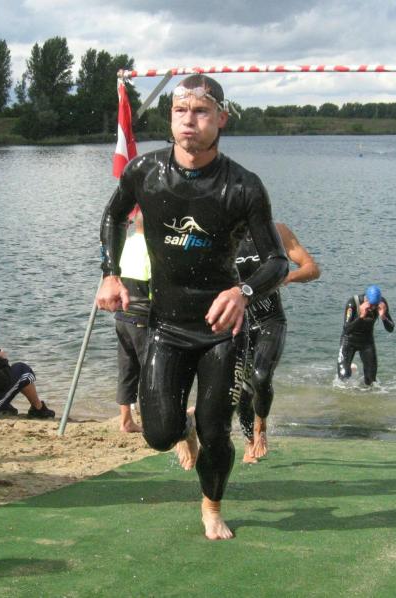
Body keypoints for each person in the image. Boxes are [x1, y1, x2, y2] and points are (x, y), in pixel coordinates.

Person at [97, 74, 288, 540]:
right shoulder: (145, 172)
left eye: (201, 112)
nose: (189, 121)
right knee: (159, 434)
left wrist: (243, 293)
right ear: (170, 118)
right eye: (180, 111)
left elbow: (277, 262)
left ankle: (212, 507)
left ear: (222, 119)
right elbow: (113, 216)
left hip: (221, 330)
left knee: (217, 431)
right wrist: (110, 272)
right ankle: (182, 428)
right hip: (165, 325)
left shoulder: (243, 186)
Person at [236, 222, 320, 463]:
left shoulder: (275, 231)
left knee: (261, 376)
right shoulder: (223, 233)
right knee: (243, 390)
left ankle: (260, 424)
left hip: (271, 320)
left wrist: (286, 276)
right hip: (238, 323)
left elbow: (312, 268)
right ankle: (248, 442)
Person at [114, 212, 150, 433]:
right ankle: (149, 419)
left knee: (126, 367)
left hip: (121, 315)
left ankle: (126, 420)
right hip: (142, 316)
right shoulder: (152, 248)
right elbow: (155, 287)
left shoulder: (125, 243)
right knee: (149, 369)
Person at [337, 284, 394, 385]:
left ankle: (356, 375)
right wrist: (361, 316)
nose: (373, 308)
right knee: (343, 380)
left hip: (367, 341)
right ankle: (350, 369)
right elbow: (347, 329)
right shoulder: (353, 303)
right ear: (366, 299)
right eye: (371, 305)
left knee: (371, 381)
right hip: (349, 340)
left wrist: (383, 317)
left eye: (375, 305)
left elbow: (391, 328)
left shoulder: (382, 304)